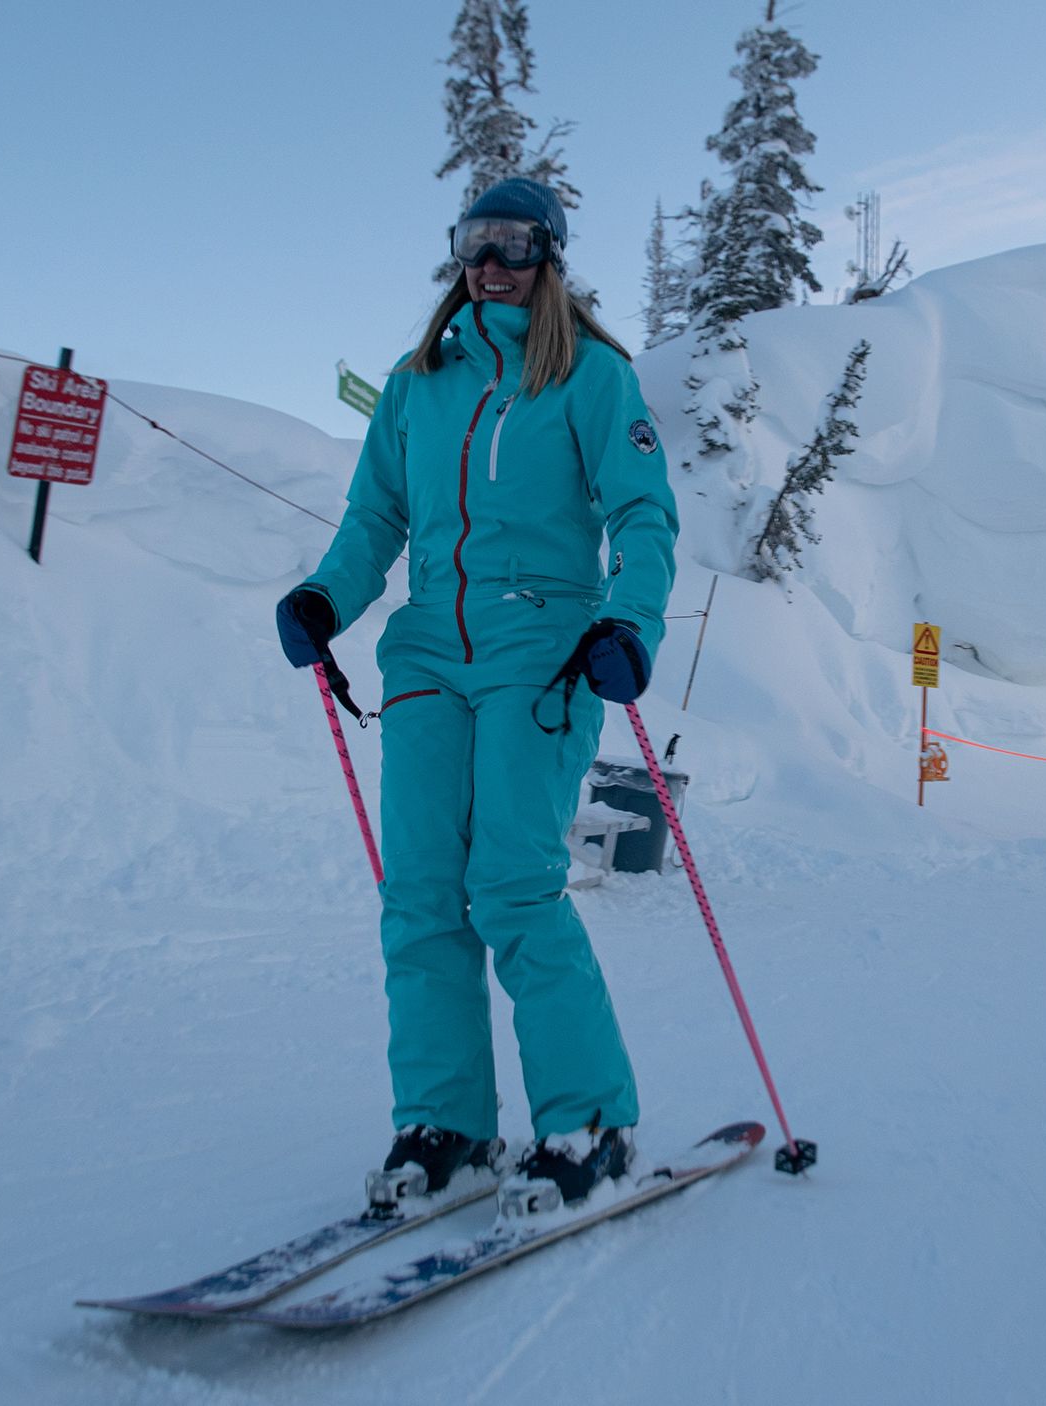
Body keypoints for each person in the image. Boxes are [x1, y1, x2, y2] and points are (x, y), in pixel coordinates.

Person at [275, 178, 676, 1215]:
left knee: (509, 883)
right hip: (426, 656)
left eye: (513, 244)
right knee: (417, 894)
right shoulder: (419, 387)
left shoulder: (591, 377)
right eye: (473, 243)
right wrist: (327, 597)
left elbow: (643, 516)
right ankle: (444, 1122)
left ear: (549, 257)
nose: (489, 263)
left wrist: (628, 619)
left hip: (539, 651)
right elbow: (375, 520)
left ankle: (591, 1120)